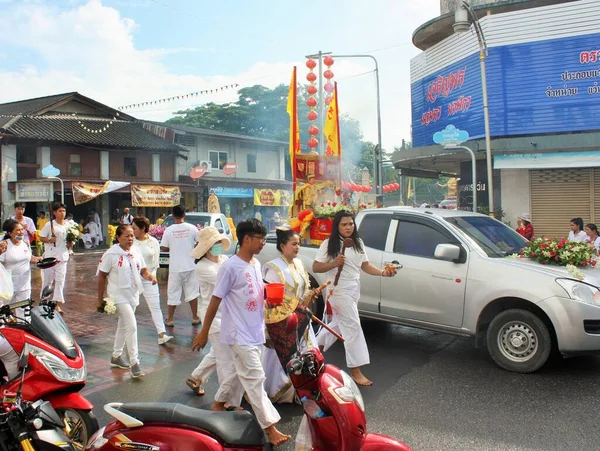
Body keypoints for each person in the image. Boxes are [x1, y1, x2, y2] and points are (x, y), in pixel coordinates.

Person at [192, 219, 291, 447]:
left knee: (239, 375)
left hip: (254, 330)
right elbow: (215, 301)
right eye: (261, 239)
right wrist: (204, 332)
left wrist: (272, 297)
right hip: (238, 334)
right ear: (246, 239)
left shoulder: (255, 264)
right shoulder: (229, 267)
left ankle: (218, 404)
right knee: (255, 378)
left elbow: (256, 292)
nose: (263, 244)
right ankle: (270, 428)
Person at [313, 210, 397, 386]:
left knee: (337, 324)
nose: (348, 227)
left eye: (351, 223)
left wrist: (383, 273)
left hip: (353, 289)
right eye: (344, 224)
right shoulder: (329, 244)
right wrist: (333, 263)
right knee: (353, 326)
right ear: (337, 226)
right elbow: (316, 267)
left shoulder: (358, 242)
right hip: (338, 291)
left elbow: (365, 266)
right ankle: (356, 370)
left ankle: (313, 352)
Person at [186, 227, 244, 409]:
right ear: (207, 246)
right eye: (215, 243)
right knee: (225, 358)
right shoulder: (202, 267)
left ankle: (196, 377)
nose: (218, 245)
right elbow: (228, 283)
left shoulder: (225, 259)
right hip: (212, 317)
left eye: (220, 242)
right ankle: (228, 401)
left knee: (217, 352)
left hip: (228, 313)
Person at [262, 228, 321, 403]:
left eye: (299, 244)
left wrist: (311, 295)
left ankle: (303, 390)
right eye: (294, 244)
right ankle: (281, 391)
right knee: (283, 356)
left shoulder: (300, 263)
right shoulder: (273, 267)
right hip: (283, 323)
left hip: (301, 320)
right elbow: (271, 299)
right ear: (282, 246)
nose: (298, 247)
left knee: (306, 354)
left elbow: (303, 291)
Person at [97, 224, 157, 379]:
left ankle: (116, 356)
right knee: (131, 325)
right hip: (117, 295)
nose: (130, 239)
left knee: (123, 326)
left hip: (132, 294)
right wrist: (100, 300)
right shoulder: (111, 254)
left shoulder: (136, 251)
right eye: (127, 236)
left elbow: (143, 270)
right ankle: (135, 362)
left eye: (132, 235)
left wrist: (150, 276)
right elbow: (102, 276)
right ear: (118, 238)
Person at [132, 216, 173, 345]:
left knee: (155, 306)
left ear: (143, 229)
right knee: (131, 306)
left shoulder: (153, 241)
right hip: (133, 278)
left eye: (134, 228)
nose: (132, 231)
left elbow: (156, 262)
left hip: (149, 278)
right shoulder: (131, 242)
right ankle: (128, 336)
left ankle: (162, 334)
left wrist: (152, 276)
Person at [160, 205, 201, 326]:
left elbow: (164, 247)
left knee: (173, 292)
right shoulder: (192, 228)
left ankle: (171, 319)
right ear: (184, 214)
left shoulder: (169, 230)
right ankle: (194, 317)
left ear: (173, 216)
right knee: (192, 292)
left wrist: (174, 246)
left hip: (175, 267)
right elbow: (199, 242)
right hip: (190, 265)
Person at [0, 219, 42, 303]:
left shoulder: (25, 243)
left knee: (24, 313)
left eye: (22, 229)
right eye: (18, 230)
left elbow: (29, 257)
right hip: (8, 286)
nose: (21, 232)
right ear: (10, 233)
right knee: (4, 313)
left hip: (24, 286)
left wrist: (39, 259)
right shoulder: (4, 244)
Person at [38, 203, 70, 312]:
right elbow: (41, 237)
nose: (62, 213)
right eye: (60, 211)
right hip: (50, 257)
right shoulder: (50, 225)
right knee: (48, 280)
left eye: (64, 211)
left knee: (60, 281)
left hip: (63, 256)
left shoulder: (68, 225)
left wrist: (71, 243)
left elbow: (70, 241)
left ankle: (56, 303)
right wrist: (49, 240)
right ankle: (44, 300)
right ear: (54, 213)